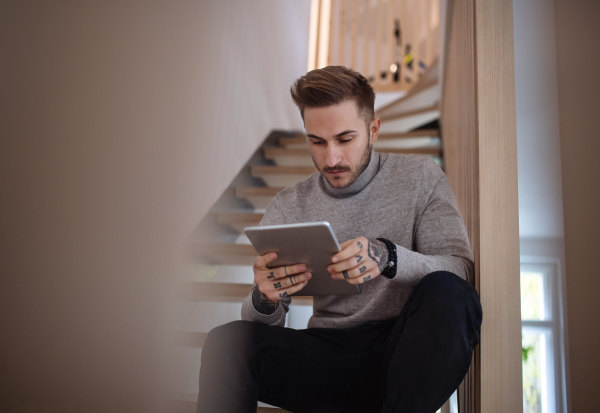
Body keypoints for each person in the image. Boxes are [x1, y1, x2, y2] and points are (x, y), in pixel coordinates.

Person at [196, 66, 482, 413]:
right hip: (325, 356)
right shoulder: (289, 205)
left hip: (403, 352)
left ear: (373, 129)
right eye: (317, 141)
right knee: (227, 342)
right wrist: (265, 298)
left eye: (345, 139)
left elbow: (460, 272)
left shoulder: (421, 178)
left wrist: (388, 256)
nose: (331, 158)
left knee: (451, 293)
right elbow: (262, 324)